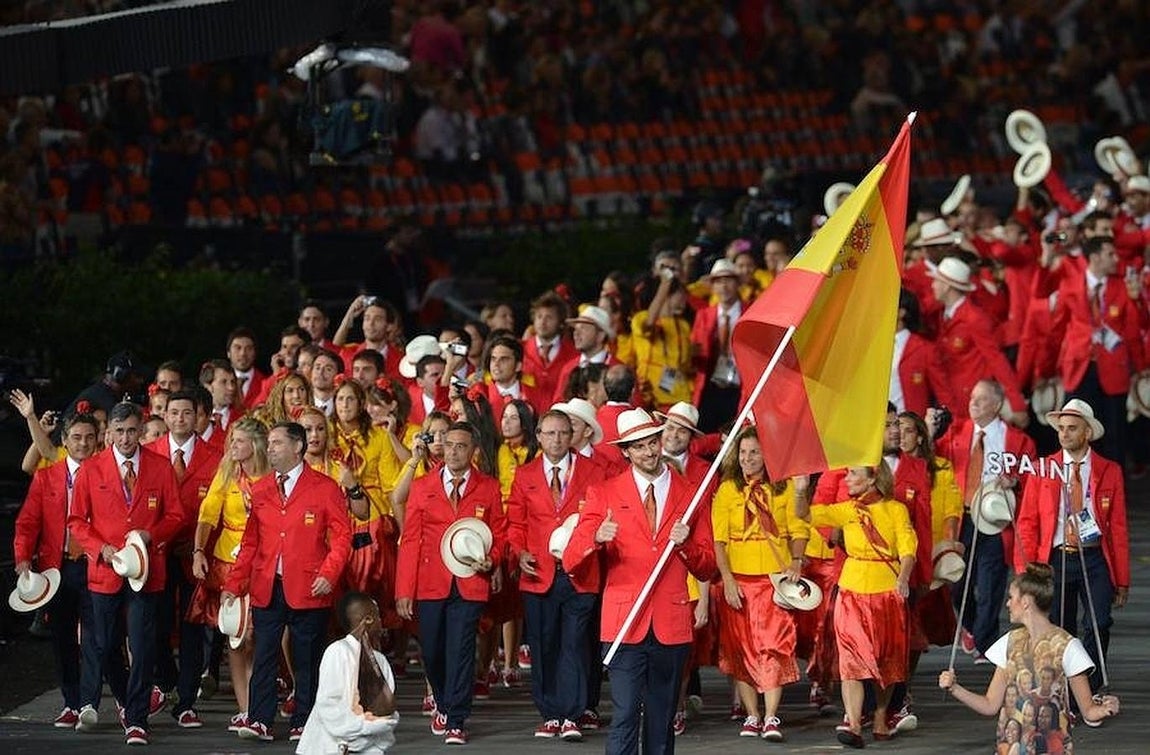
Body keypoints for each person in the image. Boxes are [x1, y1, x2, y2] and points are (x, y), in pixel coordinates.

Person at [563, 408, 717, 755]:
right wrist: (594, 539)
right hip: (624, 622)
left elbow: (708, 567)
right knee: (625, 713)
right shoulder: (603, 494)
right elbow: (571, 559)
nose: (649, 451)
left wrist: (688, 545)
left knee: (662, 719)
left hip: (671, 621)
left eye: (653, 442)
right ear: (625, 452)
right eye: (639, 446)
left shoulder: (691, 493)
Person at [223, 421, 353, 743]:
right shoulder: (262, 488)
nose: (270, 449)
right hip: (268, 585)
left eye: (277, 443)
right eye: (269, 443)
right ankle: (259, 719)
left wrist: (328, 574)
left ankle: (305, 720)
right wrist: (234, 582)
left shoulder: (324, 487)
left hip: (310, 587)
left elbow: (342, 537)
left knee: (306, 657)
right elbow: (251, 542)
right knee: (265, 653)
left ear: (298, 446)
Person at [68, 401, 184, 746]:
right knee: (102, 645)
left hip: (146, 572)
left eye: (132, 430)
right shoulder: (91, 469)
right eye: (119, 431)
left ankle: (136, 719)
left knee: (143, 644)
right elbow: (76, 521)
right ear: (109, 434)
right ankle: (119, 699)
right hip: (105, 571)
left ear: (141, 430)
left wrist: (151, 536)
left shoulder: (161, 467)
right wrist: (100, 548)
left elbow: (177, 516)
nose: (126, 438)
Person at [394, 421, 507, 746]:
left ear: (473, 451)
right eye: (449, 444)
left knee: (461, 648)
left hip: (471, 581)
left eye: (461, 446)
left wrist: (494, 558)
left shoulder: (488, 487)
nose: (454, 451)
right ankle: (443, 702)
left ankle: (456, 717)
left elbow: (498, 533)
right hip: (430, 582)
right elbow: (411, 539)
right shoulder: (423, 486)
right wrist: (404, 589)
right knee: (431, 649)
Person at [793, 463, 917, 748]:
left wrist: (903, 578)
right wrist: (801, 491)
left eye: (853, 474)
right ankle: (852, 722)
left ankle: (881, 715)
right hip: (851, 590)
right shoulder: (848, 509)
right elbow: (806, 514)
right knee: (851, 659)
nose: (846, 478)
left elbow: (908, 549)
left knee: (886, 661)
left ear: (873, 478)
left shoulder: (896, 510)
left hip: (886, 590)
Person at [938, 563, 1120, 751]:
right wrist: (954, 688)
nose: (1007, 603)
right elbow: (990, 705)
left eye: (1011, 598)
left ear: (1025, 602)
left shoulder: (1068, 646)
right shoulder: (1008, 642)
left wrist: (1105, 708)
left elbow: (1088, 711)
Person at [1015, 399, 1129, 682]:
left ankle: (1090, 686)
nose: (1064, 434)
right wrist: (1024, 570)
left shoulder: (1109, 470)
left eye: (1072, 429)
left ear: (1087, 432)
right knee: (1061, 628)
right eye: (1061, 429)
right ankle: (1067, 689)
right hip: (1055, 558)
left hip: (1094, 557)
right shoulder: (1042, 468)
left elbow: (1117, 527)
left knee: (1100, 623)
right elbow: (1027, 521)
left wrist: (1122, 579)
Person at [506, 409, 601, 741]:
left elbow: (602, 517)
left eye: (563, 432)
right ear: (539, 437)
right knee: (544, 645)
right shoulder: (525, 474)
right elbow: (515, 524)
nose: (557, 439)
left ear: (572, 435)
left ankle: (572, 715)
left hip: (581, 572)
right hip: (538, 574)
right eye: (550, 433)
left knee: (574, 644)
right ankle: (550, 713)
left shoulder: (594, 472)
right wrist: (519, 553)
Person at [12, 410, 107, 728]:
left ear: (98, 441)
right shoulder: (47, 476)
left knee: (95, 638)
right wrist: (23, 556)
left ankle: (89, 704)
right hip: (58, 568)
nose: (83, 443)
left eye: (89, 438)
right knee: (63, 637)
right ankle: (71, 702)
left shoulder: (107, 474)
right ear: (64, 441)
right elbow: (27, 522)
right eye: (76, 438)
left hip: (96, 566)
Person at [712, 426, 807, 741]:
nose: (748, 459)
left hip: (774, 581)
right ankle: (751, 715)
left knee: (774, 647)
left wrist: (796, 561)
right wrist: (726, 579)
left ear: (768, 455)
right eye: (743, 453)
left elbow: (798, 529)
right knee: (742, 649)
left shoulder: (784, 488)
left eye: (754, 452)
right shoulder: (726, 490)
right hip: (739, 581)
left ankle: (770, 716)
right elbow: (719, 541)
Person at [935, 379, 1035, 661]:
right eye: (972, 397)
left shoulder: (1018, 440)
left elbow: (1032, 478)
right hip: (961, 517)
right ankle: (972, 627)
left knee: (991, 583)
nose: (974, 403)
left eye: (981, 399)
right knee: (955, 582)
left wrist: (1015, 481)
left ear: (997, 404)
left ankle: (985, 641)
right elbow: (933, 460)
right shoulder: (955, 432)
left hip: (995, 518)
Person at [145, 390, 223, 728]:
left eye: (186, 413)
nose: (179, 418)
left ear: (198, 416)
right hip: (156, 554)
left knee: (193, 627)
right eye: (173, 412)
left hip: (196, 555)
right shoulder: (149, 454)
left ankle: (187, 701)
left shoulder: (215, 456)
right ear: (164, 415)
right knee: (157, 624)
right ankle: (168, 680)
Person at [190, 417, 271, 732]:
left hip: (263, 561)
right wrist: (199, 552)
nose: (232, 446)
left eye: (239, 441)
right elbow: (207, 515)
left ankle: (262, 699)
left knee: (258, 635)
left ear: (255, 445)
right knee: (237, 635)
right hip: (228, 560)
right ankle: (245, 708)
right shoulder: (225, 474)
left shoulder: (271, 477)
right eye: (232, 441)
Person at [295, 592, 400, 754]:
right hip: (329, 748)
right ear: (367, 620)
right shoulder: (337, 652)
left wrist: (372, 729)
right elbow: (328, 705)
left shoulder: (380, 661)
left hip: (369, 747)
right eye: (378, 617)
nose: (382, 622)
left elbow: (387, 712)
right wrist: (362, 727)